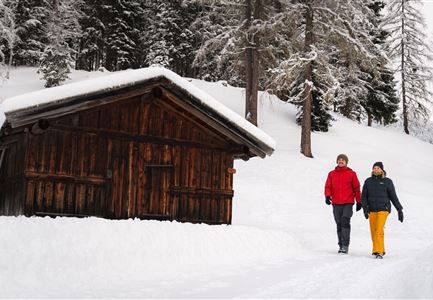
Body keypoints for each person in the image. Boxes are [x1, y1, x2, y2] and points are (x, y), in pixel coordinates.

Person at [362, 162, 404, 259]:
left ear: (382, 170)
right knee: (373, 230)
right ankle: (379, 249)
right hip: (371, 209)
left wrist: (399, 210)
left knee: (379, 229)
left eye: (378, 168)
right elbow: (364, 196)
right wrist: (365, 208)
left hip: (383, 209)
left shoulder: (387, 181)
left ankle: (379, 251)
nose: (376, 169)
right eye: (374, 168)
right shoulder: (368, 181)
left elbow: (393, 197)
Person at [324, 154, 362, 254]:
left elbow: (357, 188)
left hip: (348, 203)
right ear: (337, 161)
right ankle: (340, 245)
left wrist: (359, 201)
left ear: (346, 162)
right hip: (336, 203)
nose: (341, 161)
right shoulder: (331, 174)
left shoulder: (351, 174)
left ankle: (345, 245)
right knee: (339, 224)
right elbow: (328, 186)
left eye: (343, 160)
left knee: (345, 222)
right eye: (339, 160)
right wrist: (327, 196)